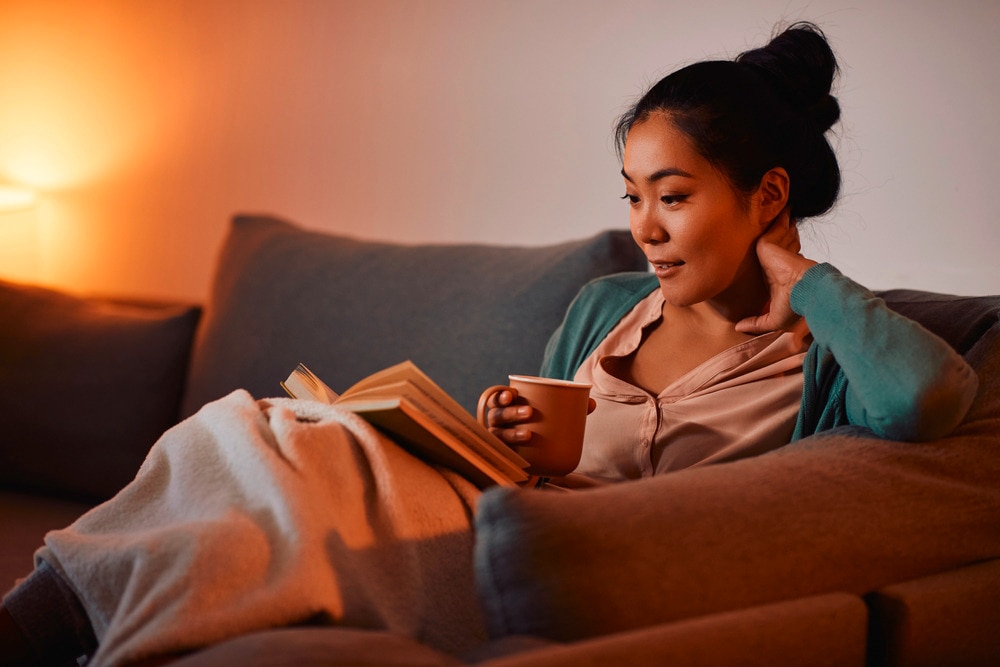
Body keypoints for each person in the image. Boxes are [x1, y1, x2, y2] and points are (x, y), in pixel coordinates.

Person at [0, 22, 978, 667]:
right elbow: (531, 453)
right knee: (262, 431)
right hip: (497, 516)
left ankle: (45, 623)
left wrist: (798, 273)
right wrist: (511, 436)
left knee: (286, 446)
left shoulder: (830, 358)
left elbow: (931, 398)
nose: (644, 227)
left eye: (671, 196)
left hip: (580, 566)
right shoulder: (606, 305)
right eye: (632, 196)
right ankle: (58, 621)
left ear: (764, 196)